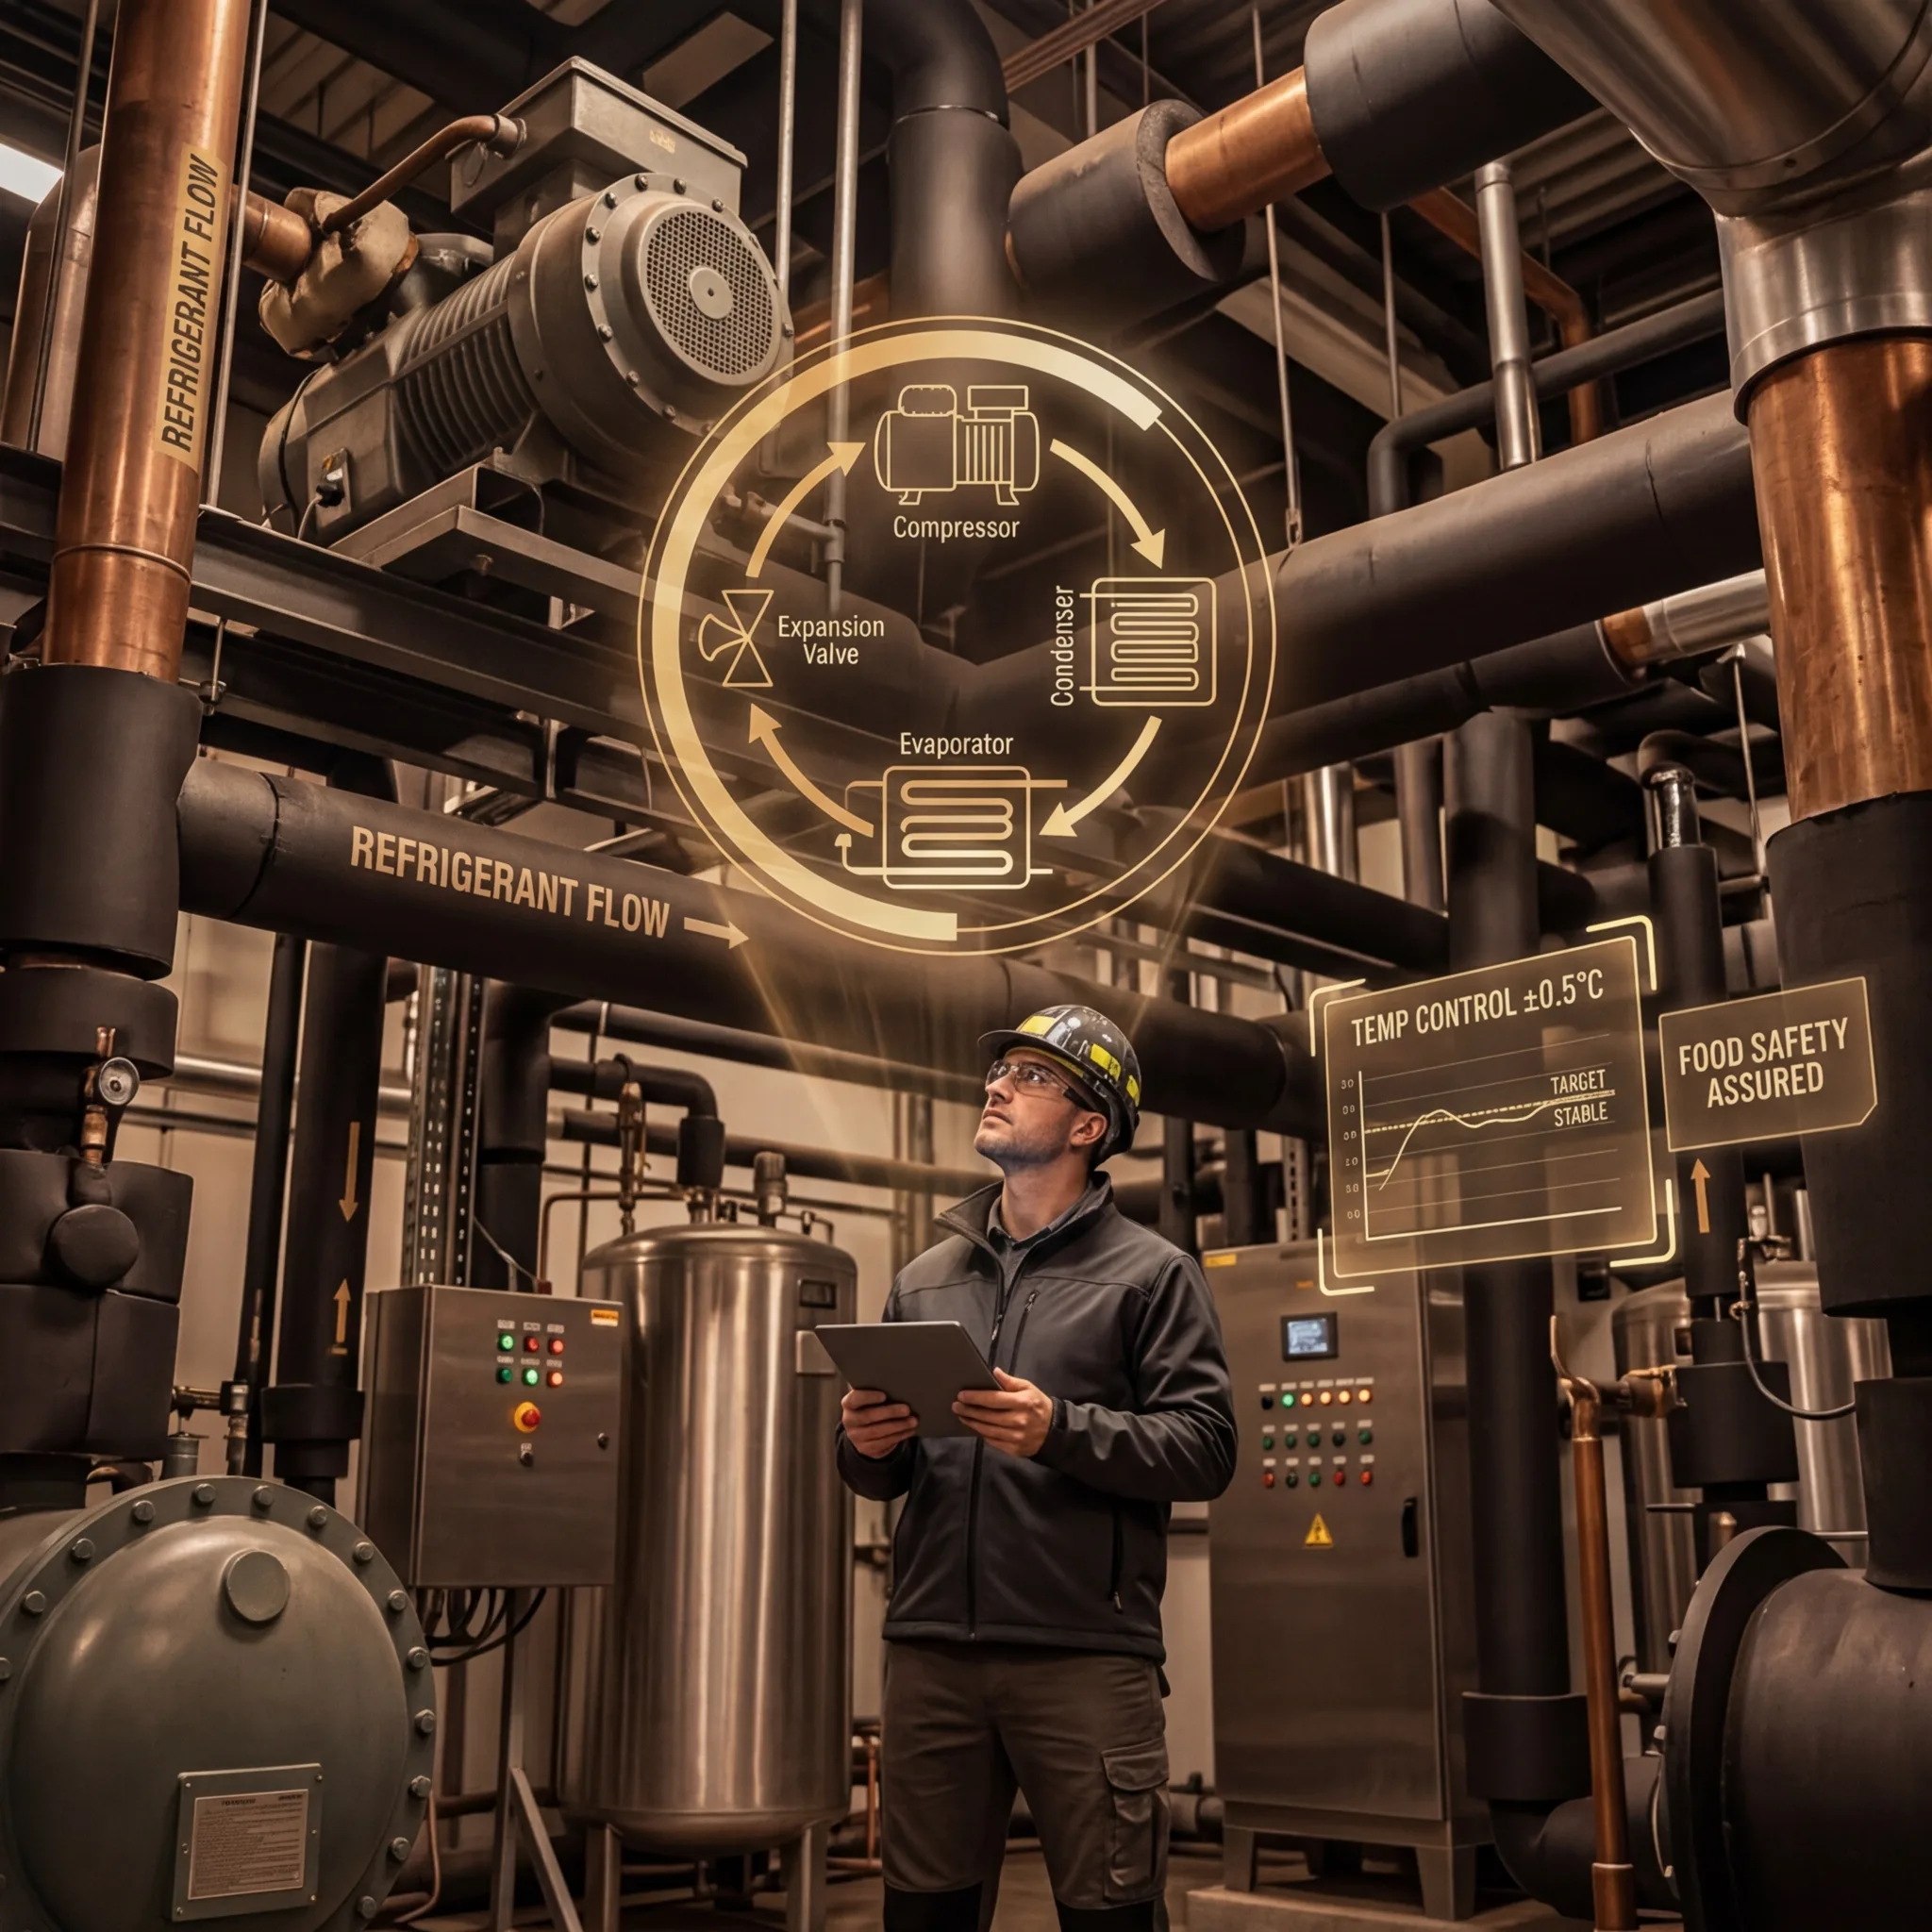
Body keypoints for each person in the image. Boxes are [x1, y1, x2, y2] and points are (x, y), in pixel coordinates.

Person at [839, 1004, 1237, 1932]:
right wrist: (864, 1445)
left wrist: (1057, 1427)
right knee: (922, 1911)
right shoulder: (924, 1278)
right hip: (931, 1650)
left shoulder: (1152, 1274)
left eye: (1029, 1077)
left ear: (1087, 1125)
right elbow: (885, 1478)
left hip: (1083, 1659)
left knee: (1108, 1911)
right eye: (999, 1072)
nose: (996, 1086)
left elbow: (1204, 1445)